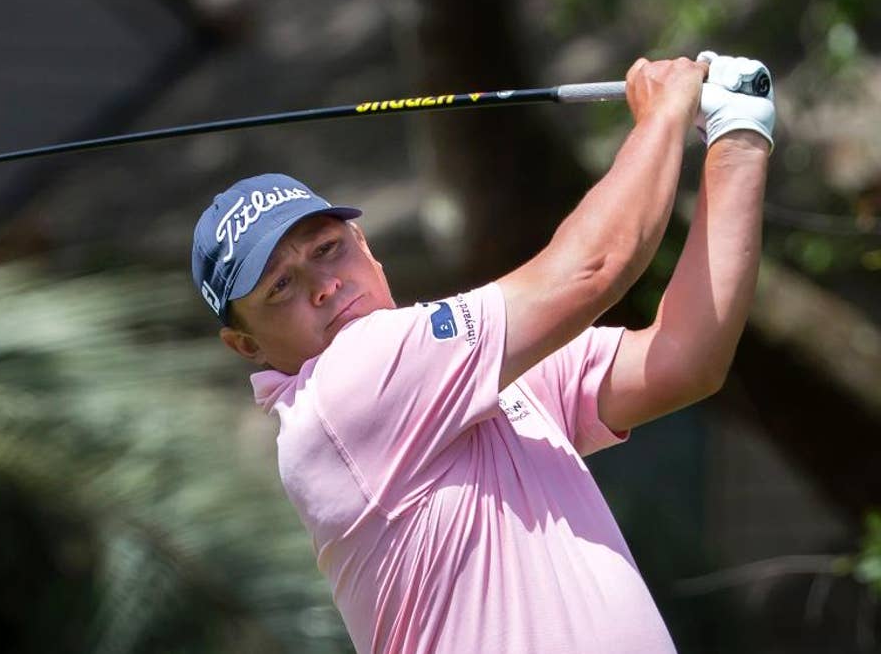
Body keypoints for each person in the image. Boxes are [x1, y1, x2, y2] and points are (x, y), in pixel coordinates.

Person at [190, 52, 774, 653]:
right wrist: (664, 112)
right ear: (246, 345)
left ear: (366, 246)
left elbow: (682, 361)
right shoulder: (341, 390)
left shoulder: (467, 378)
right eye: (280, 287)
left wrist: (738, 134)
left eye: (328, 248)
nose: (323, 286)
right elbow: (593, 269)